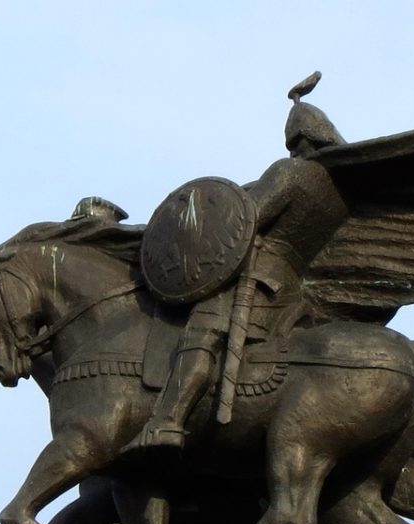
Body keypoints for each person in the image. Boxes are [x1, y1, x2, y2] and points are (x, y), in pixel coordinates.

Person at [132, 73, 349, 450]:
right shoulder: (337, 194)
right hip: (292, 287)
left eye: (293, 143)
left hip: (257, 279)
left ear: (298, 139)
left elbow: (248, 218)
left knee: (201, 335)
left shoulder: (290, 172)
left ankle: (168, 421)